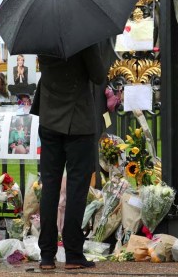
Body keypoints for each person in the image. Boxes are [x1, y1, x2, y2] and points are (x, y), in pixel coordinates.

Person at [30, 39, 112, 270]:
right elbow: (98, 76)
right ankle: (74, 252)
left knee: (50, 186)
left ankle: (47, 254)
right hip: (78, 122)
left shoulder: (44, 37)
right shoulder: (83, 39)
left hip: (49, 117)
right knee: (77, 187)